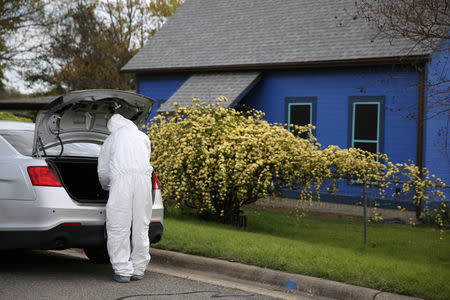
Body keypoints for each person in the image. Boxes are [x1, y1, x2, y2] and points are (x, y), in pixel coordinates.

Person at [97, 113, 153, 283]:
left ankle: (122, 270)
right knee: (141, 225)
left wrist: (106, 185)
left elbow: (104, 170)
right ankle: (138, 269)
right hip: (144, 181)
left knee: (118, 225)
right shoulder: (143, 137)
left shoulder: (112, 139)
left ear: (112, 127)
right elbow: (146, 158)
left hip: (121, 182)